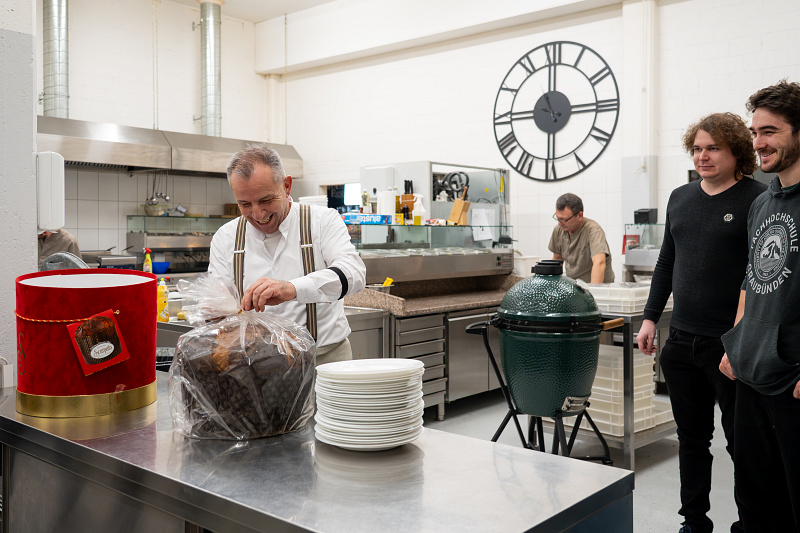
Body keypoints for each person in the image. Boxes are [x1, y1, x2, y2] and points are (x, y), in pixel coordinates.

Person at [637, 113, 766, 533]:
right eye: (696, 149)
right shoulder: (680, 197)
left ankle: (750, 524)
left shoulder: (758, 198)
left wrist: (740, 340)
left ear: (736, 151)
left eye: (713, 148)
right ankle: (694, 522)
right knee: (691, 440)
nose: (702, 156)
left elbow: (760, 275)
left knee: (743, 443)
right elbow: (666, 261)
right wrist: (650, 318)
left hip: (730, 345)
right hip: (681, 342)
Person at [719, 80, 800, 533]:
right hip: (750, 372)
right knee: (754, 499)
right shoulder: (762, 204)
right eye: (755, 132)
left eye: (770, 131)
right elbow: (751, 282)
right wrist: (737, 344)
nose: (758, 143)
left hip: (793, 378)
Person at [208, 144, 366, 365]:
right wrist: (214, 309)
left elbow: (354, 273)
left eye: (266, 200)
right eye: (245, 204)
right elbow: (217, 302)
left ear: (286, 186)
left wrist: (292, 288)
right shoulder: (226, 237)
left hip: (324, 359)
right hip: (255, 366)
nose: (258, 213)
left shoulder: (322, 221)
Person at [548, 193, 614, 283]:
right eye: (558, 218)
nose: (560, 223)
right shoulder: (559, 230)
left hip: (596, 286)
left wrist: (593, 290)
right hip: (574, 285)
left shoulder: (593, 231)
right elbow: (557, 259)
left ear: (580, 215)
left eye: (564, 220)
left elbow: (599, 263)